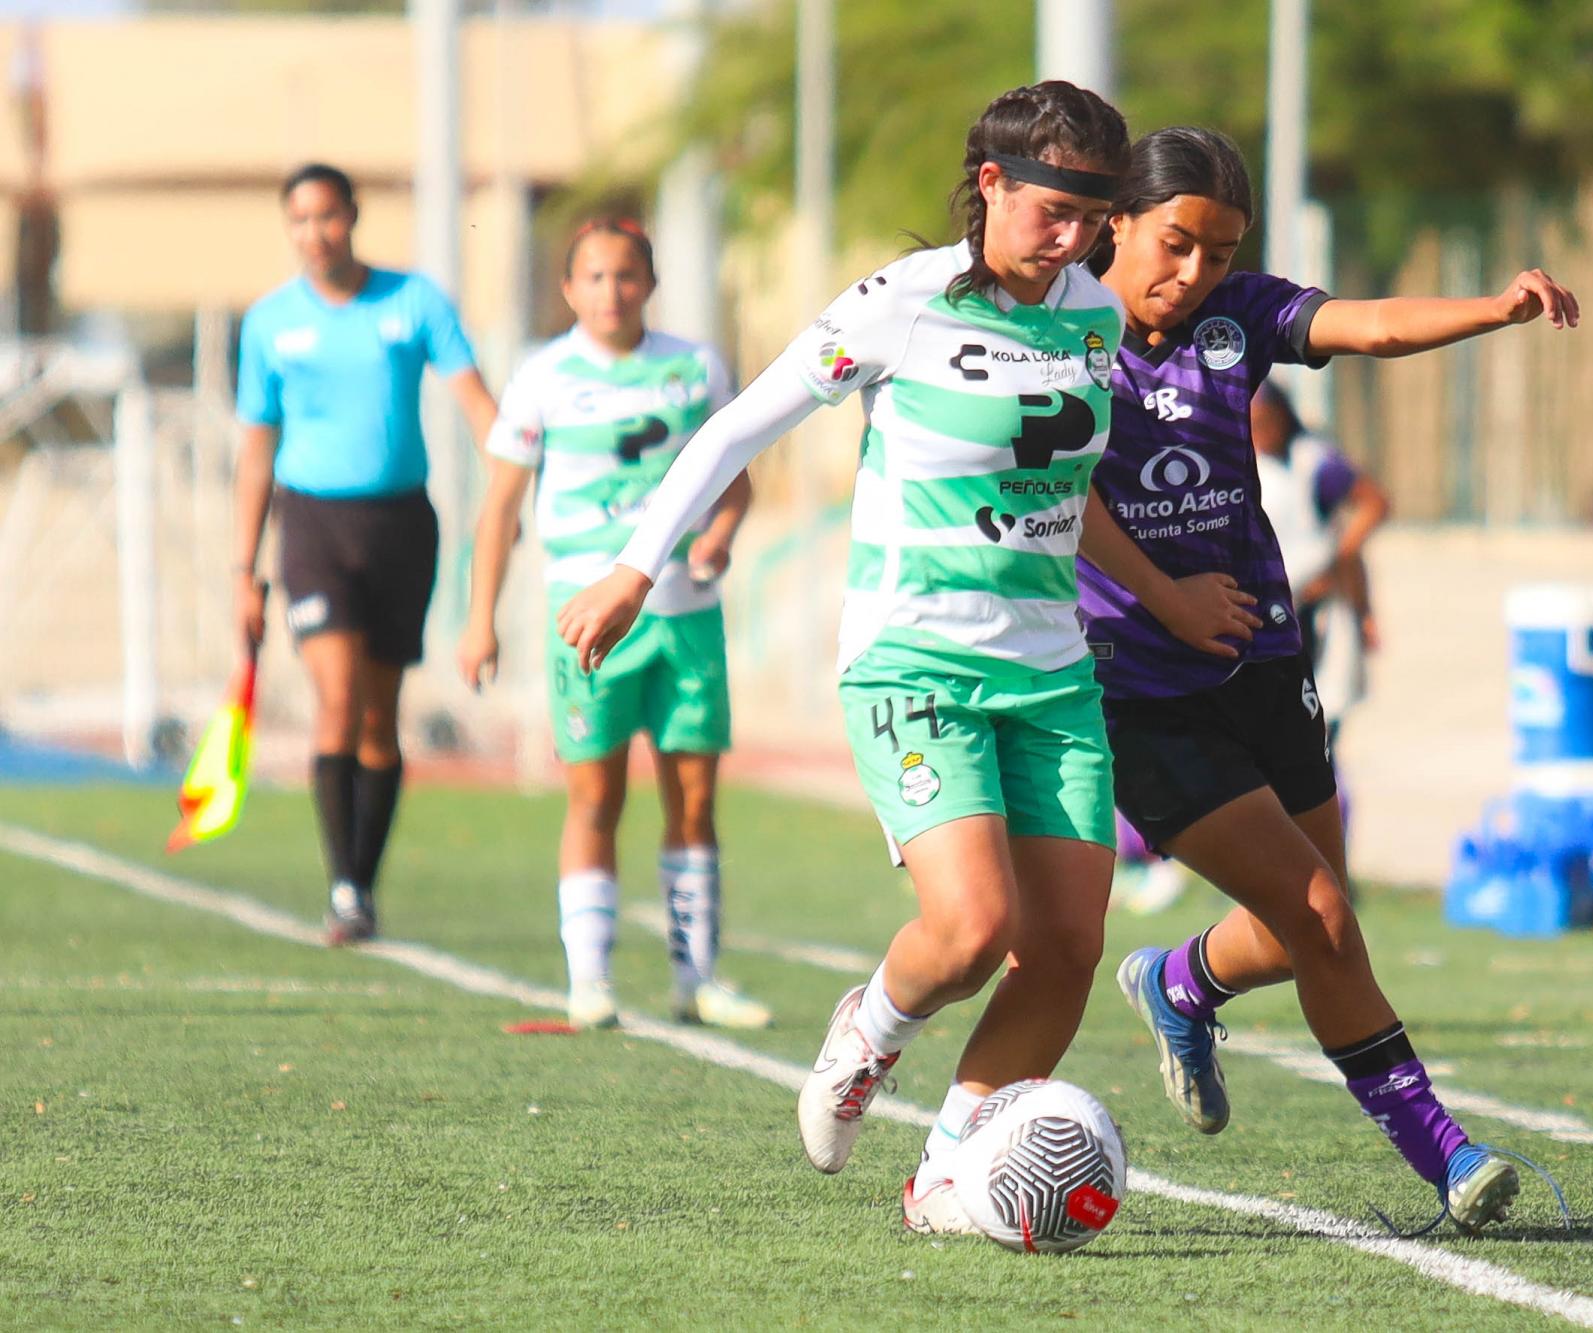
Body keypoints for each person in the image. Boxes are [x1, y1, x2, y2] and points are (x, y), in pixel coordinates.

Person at [555, 83, 1131, 1233]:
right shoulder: (898, 306)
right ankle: (864, 1035)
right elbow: (737, 426)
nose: (1071, 235)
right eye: (1052, 208)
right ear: (991, 186)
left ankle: (948, 1172)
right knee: (970, 931)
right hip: (914, 660)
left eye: (1093, 213)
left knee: (1063, 945)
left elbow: (1068, 488)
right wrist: (633, 567)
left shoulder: (1095, 316)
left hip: (1051, 674)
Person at [1079, 126, 1579, 1234]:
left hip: (1258, 660)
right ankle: (1447, 1159)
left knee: (1317, 916)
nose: (1193, 272)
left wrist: (1493, 310)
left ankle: (1179, 983)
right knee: (1316, 915)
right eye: (1175, 243)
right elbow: (1065, 505)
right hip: (1136, 685)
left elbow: (1370, 325)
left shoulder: (1234, 314)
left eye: (1217, 252)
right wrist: (1168, 598)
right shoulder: (1061, 330)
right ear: (1114, 219)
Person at [458, 218, 769, 1032]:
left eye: (626, 275)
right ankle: (589, 980)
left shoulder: (693, 367)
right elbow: (497, 509)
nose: (611, 291)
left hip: (685, 617)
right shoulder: (542, 377)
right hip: (586, 620)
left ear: (651, 283)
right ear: (568, 289)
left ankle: (696, 977)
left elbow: (734, 479)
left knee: (693, 801)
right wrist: (478, 619)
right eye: (593, 277)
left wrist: (719, 536)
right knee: (594, 796)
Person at [233, 163, 497, 945]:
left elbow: (478, 403)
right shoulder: (270, 323)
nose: (317, 234)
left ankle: (363, 884)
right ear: (290, 229)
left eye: (329, 216)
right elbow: (256, 451)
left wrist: (517, 479)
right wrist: (241, 571)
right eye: (301, 220)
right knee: (338, 699)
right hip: (312, 526)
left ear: (354, 215)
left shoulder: (414, 302)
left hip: (401, 527)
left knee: (382, 720)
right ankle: (344, 886)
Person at [1249, 379, 1390, 741]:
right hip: (1269, 612)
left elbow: (1373, 502)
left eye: (1262, 421)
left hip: (1318, 612)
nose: (1257, 431)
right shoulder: (1243, 464)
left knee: (1320, 719)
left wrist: (1338, 557)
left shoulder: (1312, 462)